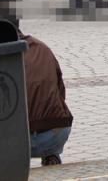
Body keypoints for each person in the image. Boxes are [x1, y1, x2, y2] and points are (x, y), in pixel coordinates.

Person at [19, 26, 73, 166]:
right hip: (56, 134)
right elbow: (60, 91)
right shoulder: (41, 47)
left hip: (16, 143)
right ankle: (51, 155)